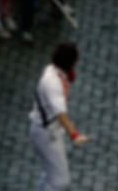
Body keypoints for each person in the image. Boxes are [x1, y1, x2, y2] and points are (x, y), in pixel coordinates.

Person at [29, 42, 90, 191]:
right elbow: (61, 114)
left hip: (49, 130)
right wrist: (74, 134)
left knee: (53, 174)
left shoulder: (54, 71)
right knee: (60, 182)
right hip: (47, 133)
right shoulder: (52, 83)